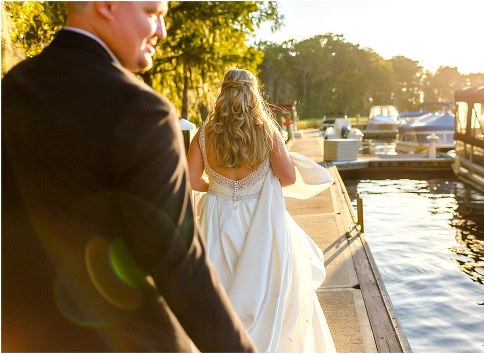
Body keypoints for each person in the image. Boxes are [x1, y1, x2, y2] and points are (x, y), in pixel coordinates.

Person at [2, 2, 255, 352]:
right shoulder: (142, 110)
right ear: (106, 5)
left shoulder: (13, 88)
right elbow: (180, 263)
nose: (161, 31)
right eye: (153, 13)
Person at [187, 68, 336, 352]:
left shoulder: (204, 133)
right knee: (270, 290)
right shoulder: (266, 130)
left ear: (223, 93)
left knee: (220, 288)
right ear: (252, 93)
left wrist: (217, 188)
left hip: (216, 219)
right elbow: (289, 178)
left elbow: (192, 180)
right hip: (260, 219)